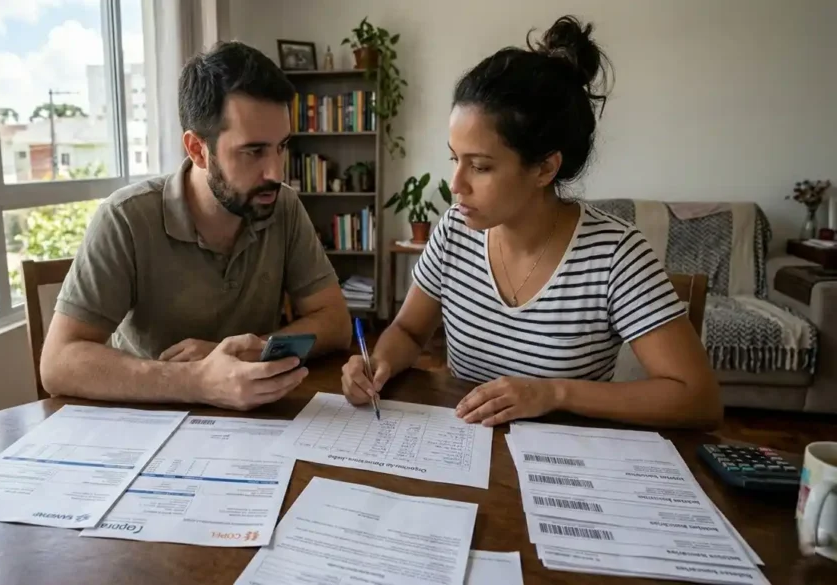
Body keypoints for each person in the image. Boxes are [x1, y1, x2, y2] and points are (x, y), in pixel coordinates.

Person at [341, 16, 721, 429]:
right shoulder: (454, 232)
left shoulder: (614, 254)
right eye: (455, 158)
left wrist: (552, 392)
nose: (456, 185)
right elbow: (410, 333)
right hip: (464, 451)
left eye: (481, 167)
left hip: (563, 468)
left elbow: (697, 398)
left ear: (544, 169)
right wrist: (378, 361)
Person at [41, 41, 352, 410]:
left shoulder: (282, 206)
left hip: (257, 426)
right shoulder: (125, 217)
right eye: (253, 152)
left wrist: (249, 352)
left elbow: (336, 322)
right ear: (197, 149)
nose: (276, 172)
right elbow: (58, 363)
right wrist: (200, 380)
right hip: (147, 424)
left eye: (281, 146)